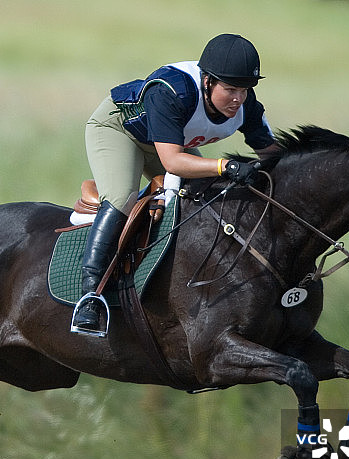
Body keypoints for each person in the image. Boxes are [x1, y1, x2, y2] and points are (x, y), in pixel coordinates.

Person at [71, 33, 279, 336]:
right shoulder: (173, 90)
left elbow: (274, 156)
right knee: (121, 197)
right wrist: (225, 166)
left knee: (205, 196)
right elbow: (172, 163)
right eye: (230, 89)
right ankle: (89, 297)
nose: (238, 99)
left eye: (245, 90)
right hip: (119, 131)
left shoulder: (246, 107)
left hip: (167, 142)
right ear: (207, 82)